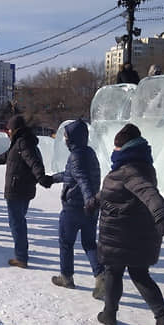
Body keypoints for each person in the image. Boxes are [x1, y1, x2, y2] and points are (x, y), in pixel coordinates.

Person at [95, 123, 164, 325]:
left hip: (123, 233)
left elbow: (149, 194)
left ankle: (109, 314)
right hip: (138, 233)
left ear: (123, 148)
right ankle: (163, 321)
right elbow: (113, 192)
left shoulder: (130, 170)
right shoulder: (138, 166)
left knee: (113, 271)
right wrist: (93, 201)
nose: (113, 151)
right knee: (140, 275)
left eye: (116, 147)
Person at [0, 115, 52, 268]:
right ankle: (22, 253)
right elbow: (6, 156)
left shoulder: (23, 143)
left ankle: (21, 257)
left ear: (14, 129)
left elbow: (34, 161)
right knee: (19, 221)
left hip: (17, 189)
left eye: (9, 129)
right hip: (23, 188)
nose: (7, 132)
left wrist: (41, 177)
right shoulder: (20, 143)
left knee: (17, 223)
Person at [50, 119, 105, 297]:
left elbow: (82, 179)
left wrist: (88, 198)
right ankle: (101, 276)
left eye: (66, 135)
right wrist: (51, 179)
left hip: (74, 208)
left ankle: (66, 277)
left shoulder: (75, 155)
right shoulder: (88, 153)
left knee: (66, 242)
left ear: (73, 137)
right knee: (89, 243)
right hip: (91, 208)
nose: (64, 139)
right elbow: (72, 175)